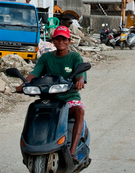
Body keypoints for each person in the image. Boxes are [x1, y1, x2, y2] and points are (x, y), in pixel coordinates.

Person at [18, 25, 86, 164]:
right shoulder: (46, 57)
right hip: (48, 99)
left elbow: (80, 75)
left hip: (69, 98)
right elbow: (34, 73)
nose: (61, 41)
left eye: (64, 39)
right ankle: (30, 149)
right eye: (57, 39)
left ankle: (72, 151)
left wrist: (80, 81)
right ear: (53, 40)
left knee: (79, 111)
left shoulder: (75, 57)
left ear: (69, 41)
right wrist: (23, 84)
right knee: (33, 111)